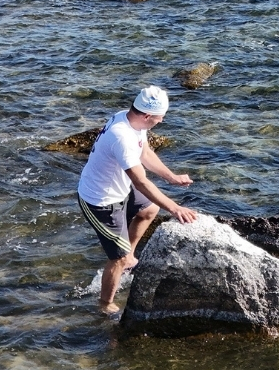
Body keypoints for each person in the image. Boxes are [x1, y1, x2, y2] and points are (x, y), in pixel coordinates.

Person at [76, 86, 198, 317]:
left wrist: (171, 177)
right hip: (100, 201)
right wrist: (174, 207)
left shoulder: (131, 120)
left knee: (148, 209)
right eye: (161, 116)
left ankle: (129, 256)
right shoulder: (121, 136)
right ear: (147, 116)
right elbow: (141, 182)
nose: (162, 121)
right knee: (117, 259)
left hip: (120, 189)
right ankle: (105, 303)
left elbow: (144, 152)